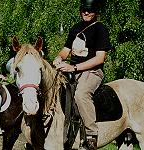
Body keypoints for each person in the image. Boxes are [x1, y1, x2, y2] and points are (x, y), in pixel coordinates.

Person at [53, 0, 111, 149]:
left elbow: (100, 58)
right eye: (84, 9)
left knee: (81, 94)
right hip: (71, 69)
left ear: (96, 12)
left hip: (92, 72)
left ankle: (91, 135)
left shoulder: (100, 29)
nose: (86, 12)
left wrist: (74, 68)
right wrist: (59, 58)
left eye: (90, 10)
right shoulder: (75, 28)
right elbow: (65, 50)